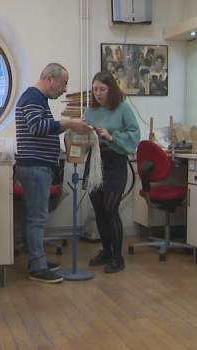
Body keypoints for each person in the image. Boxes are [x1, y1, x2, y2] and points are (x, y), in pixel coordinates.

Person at [15, 63, 89, 283]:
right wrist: (68, 123)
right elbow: (37, 127)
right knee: (37, 219)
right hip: (35, 167)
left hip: (36, 167)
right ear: (50, 78)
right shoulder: (33, 98)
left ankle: (36, 259)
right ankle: (37, 267)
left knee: (34, 218)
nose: (64, 89)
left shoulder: (37, 99)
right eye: (63, 83)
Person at [84, 72, 141, 273]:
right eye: (95, 89)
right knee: (98, 209)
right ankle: (106, 251)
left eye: (102, 89)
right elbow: (83, 134)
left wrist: (111, 135)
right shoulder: (90, 110)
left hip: (115, 161)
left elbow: (134, 134)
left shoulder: (123, 108)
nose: (98, 93)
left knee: (110, 209)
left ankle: (118, 257)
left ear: (111, 89)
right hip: (95, 162)